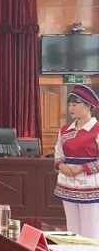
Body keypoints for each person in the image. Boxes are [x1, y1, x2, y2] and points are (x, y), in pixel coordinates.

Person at [54, 84, 99, 240]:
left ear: (88, 105)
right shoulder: (65, 130)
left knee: (90, 231)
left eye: (75, 104)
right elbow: (58, 154)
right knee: (72, 231)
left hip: (90, 185)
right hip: (68, 184)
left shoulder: (97, 129)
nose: (71, 108)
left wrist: (82, 168)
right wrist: (61, 165)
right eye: (69, 105)